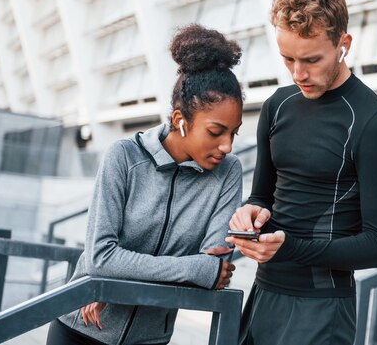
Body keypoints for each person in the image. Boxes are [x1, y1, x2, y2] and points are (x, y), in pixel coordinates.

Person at [226, 0, 377, 345]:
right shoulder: (277, 106)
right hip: (263, 296)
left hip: (323, 308)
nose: (298, 73)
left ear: (344, 45)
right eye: (288, 59)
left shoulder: (375, 124)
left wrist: (290, 247)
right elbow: (262, 195)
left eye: (311, 60)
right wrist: (250, 213)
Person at [47, 24, 244, 345]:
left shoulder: (227, 172)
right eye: (215, 131)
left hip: (149, 338)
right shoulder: (123, 157)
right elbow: (100, 258)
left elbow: (216, 266)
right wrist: (193, 268)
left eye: (233, 132)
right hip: (80, 326)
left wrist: (115, 279)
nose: (227, 146)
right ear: (181, 120)